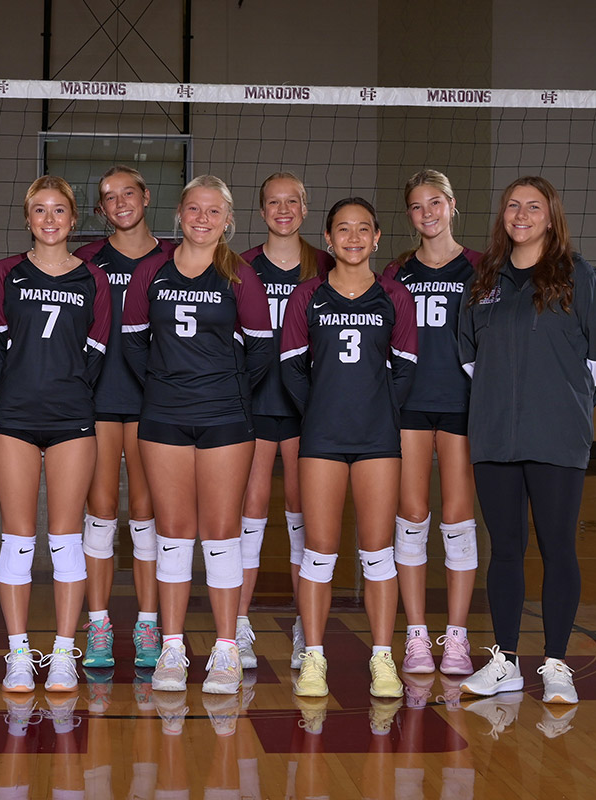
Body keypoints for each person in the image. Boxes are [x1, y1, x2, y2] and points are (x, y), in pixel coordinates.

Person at [458, 176, 596, 704]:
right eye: (513, 206)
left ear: (551, 217)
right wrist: (502, 403)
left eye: (533, 207)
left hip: (557, 438)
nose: (522, 215)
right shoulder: (484, 280)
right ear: (503, 216)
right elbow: (470, 359)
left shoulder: (581, 278)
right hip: (494, 438)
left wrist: (567, 404)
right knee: (505, 550)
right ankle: (504, 660)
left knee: (558, 549)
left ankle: (556, 665)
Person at [123, 174, 273, 695]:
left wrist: (218, 388)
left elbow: (259, 351)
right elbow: (133, 343)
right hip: (163, 416)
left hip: (226, 418)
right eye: (194, 209)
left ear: (227, 220)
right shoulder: (151, 272)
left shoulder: (241, 275)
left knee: (221, 532)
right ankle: (171, 648)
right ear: (179, 214)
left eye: (214, 212)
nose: (202, 220)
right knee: (173, 532)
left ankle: (227, 651)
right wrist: (169, 384)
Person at [281, 197, 417, 700]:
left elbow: (405, 368)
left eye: (364, 229)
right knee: (318, 552)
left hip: (377, 439)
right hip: (321, 438)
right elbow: (292, 367)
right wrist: (320, 410)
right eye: (343, 229)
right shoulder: (308, 296)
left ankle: (383, 657)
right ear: (329, 238)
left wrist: (378, 409)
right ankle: (314, 656)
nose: (354, 238)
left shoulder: (394, 297)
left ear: (378, 237)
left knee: (379, 553)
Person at [0, 175, 111, 693]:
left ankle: (62, 653)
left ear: (74, 219)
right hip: (13, 418)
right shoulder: (5, 274)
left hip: (71, 420)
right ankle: (18, 654)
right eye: (41, 210)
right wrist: (15, 392)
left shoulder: (93, 279)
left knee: (65, 540)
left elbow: (99, 351)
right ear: (27, 217)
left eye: (60, 211)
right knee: (17, 540)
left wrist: (69, 392)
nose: (51, 219)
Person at [73, 166, 175, 670]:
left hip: (152, 402)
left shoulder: (175, 258)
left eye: (128, 192)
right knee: (98, 514)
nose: (120, 203)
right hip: (95, 399)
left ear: (147, 196)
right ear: (101, 209)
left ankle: (149, 623)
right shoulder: (85, 259)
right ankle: (98, 625)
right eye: (109, 197)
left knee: (145, 515)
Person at [382, 170, 482, 676]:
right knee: (412, 518)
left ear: (452, 204)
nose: (428, 213)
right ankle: (417, 635)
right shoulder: (396, 274)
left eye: (436, 203)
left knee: (459, 523)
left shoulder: (482, 269)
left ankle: (458, 637)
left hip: (464, 405)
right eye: (418, 206)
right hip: (410, 406)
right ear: (409, 215)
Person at [239, 171, 333, 671]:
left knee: (302, 516)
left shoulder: (328, 266)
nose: (282, 209)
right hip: (253, 405)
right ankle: (238, 625)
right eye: (273, 201)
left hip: (305, 407)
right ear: (260, 211)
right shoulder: (240, 266)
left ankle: (304, 627)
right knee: (249, 514)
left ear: (304, 207)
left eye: (292, 201)